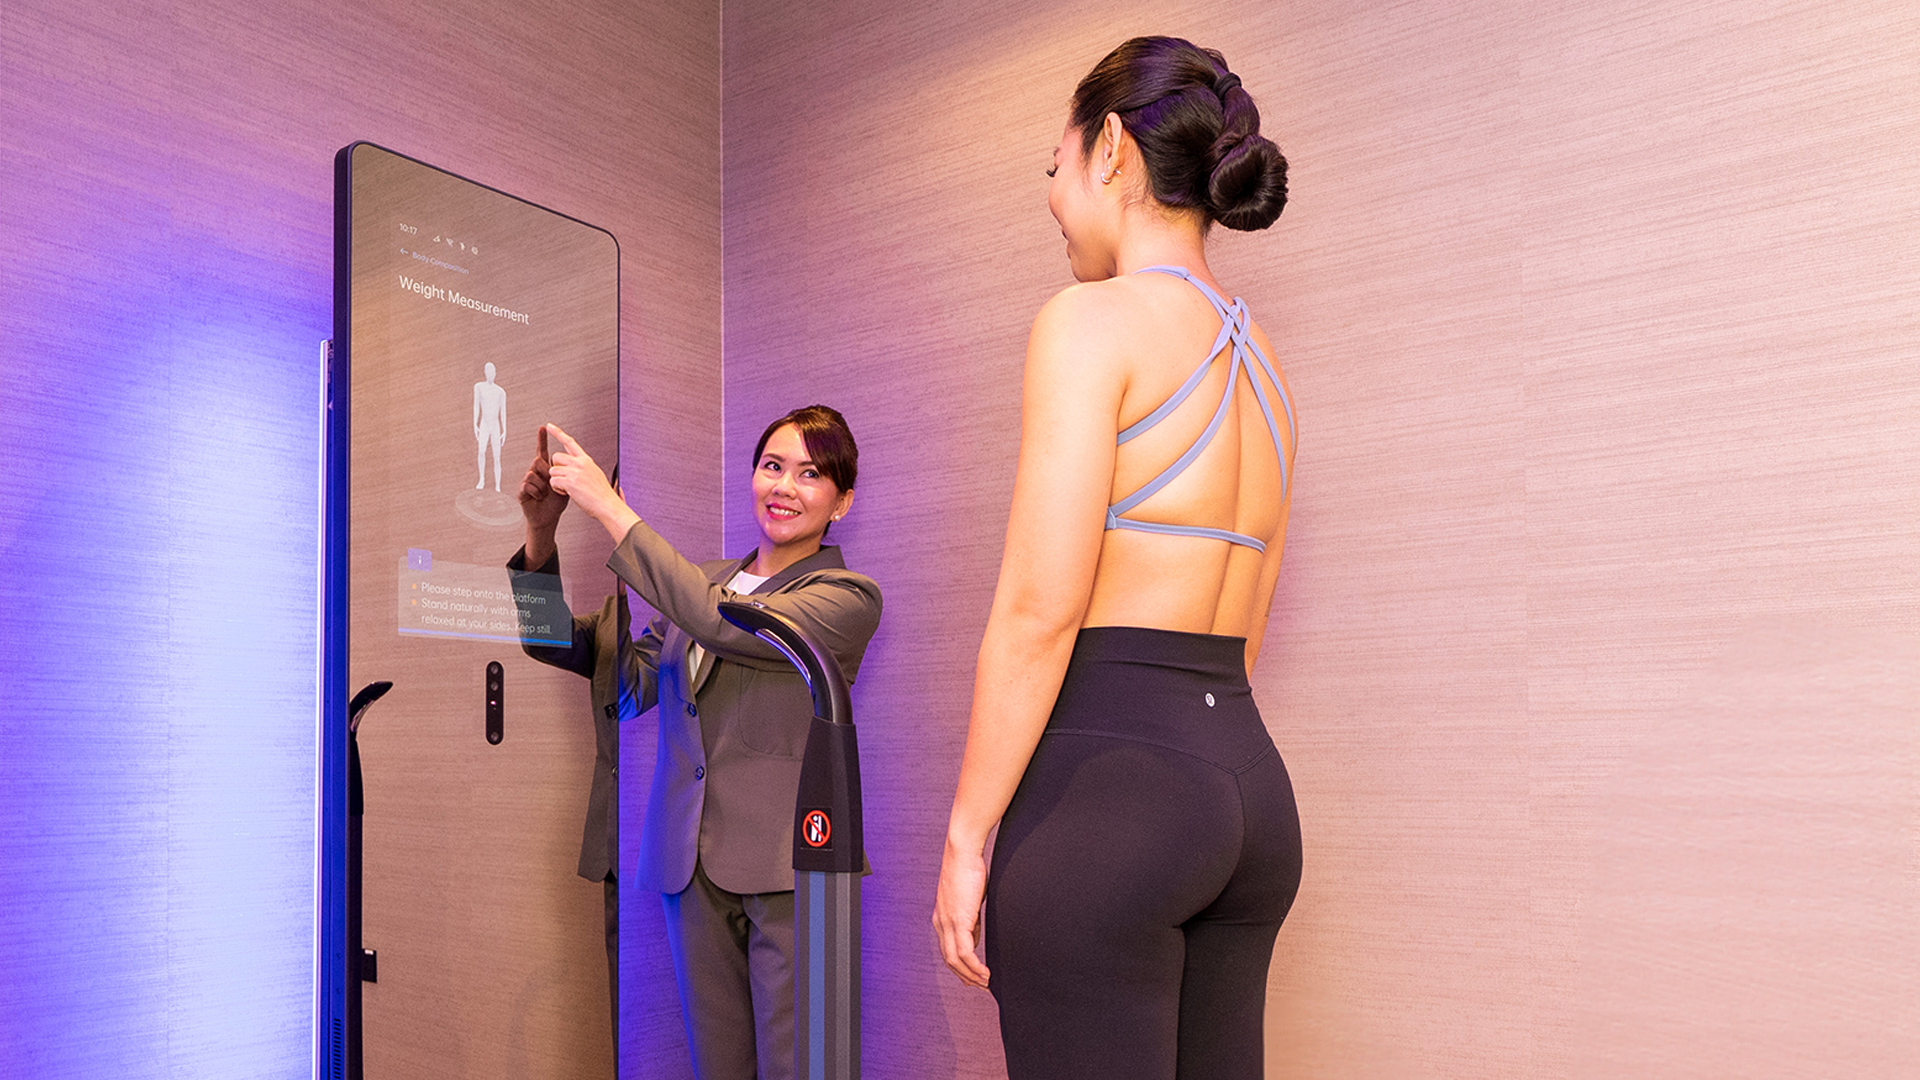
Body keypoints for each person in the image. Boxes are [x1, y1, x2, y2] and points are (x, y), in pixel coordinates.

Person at [931, 36, 1302, 1080]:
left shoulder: (1089, 323)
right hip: (1248, 799)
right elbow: (1253, 615)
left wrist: (968, 839)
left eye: (1051, 168)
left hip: (1110, 800)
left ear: (1108, 149)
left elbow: (1040, 611)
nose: (1051, 198)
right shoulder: (1264, 361)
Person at [519, 406, 882, 1080]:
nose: (784, 486)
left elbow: (727, 626)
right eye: (772, 466)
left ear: (843, 501)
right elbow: (608, 674)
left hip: (792, 870)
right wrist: (541, 539)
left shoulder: (847, 595)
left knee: (802, 1068)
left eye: (810, 473)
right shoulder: (704, 580)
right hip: (689, 865)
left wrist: (608, 508)